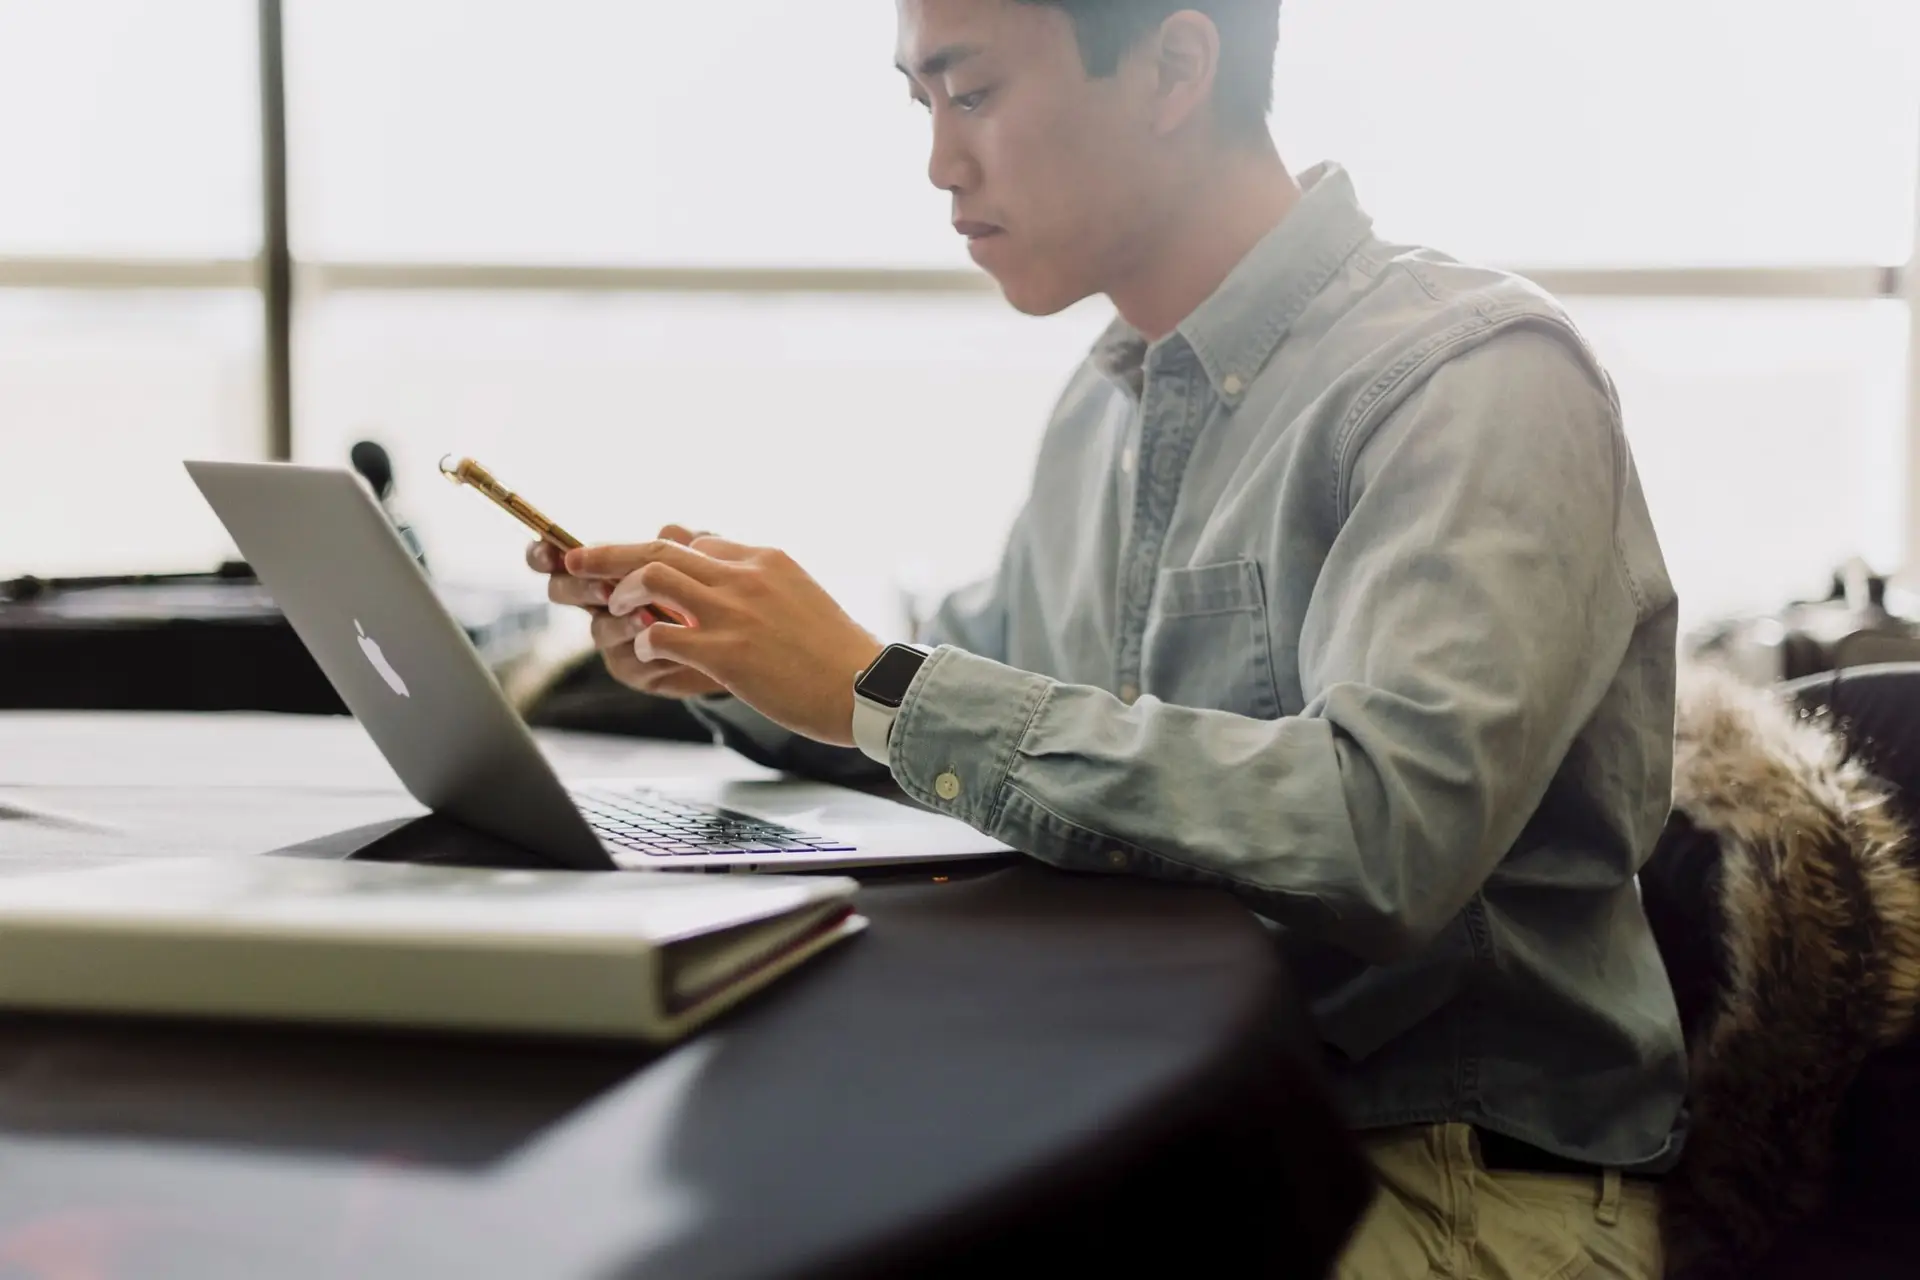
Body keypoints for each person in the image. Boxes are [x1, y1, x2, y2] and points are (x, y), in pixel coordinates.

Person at [529, 2, 1684, 1275]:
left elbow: (1385, 830)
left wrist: (876, 684)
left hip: (1435, 1166)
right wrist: (742, 663)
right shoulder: (1108, 401)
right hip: (1171, 1114)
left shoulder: (1473, 379)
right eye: (922, 104)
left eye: (970, 93)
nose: (939, 163)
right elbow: (975, 708)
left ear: (1175, 67)